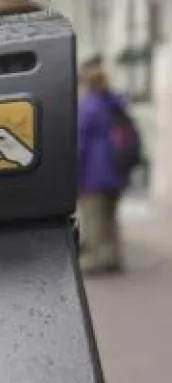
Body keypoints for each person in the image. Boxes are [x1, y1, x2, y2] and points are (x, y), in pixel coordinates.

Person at [77, 58, 137, 275]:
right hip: (117, 170)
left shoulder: (88, 106)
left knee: (94, 217)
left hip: (95, 171)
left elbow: (81, 143)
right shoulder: (114, 102)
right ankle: (113, 257)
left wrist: (75, 175)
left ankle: (94, 259)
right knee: (110, 216)